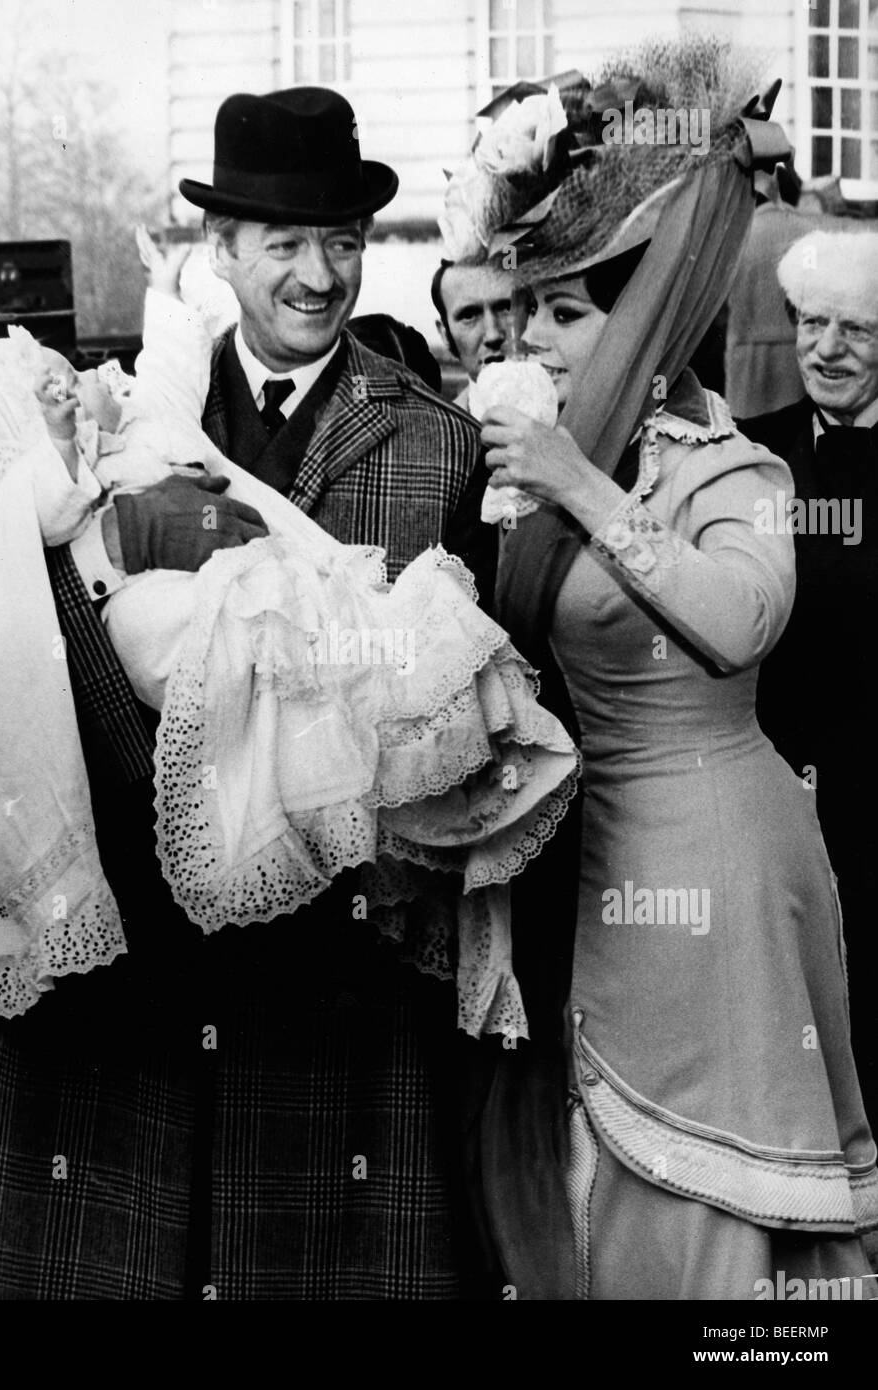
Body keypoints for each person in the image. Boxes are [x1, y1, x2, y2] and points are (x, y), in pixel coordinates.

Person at [0, 85, 516, 1301]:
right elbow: (40, 637)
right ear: (223, 251)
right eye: (287, 244)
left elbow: (467, 688)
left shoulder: (433, 441)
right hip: (136, 968)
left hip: (334, 977)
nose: (320, 274)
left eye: (345, 243)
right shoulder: (111, 420)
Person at [448, 39, 878, 1299]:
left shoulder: (730, 468)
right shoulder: (551, 461)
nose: (532, 335)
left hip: (719, 862)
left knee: (700, 1192)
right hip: (598, 858)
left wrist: (575, 486)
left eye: (566, 310)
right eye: (528, 307)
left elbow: (740, 620)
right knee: (589, 1168)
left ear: (644, 320)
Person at [742, 228, 878, 1132]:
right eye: (812, 324)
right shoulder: (752, 456)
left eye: (857, 331)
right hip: (774, 797)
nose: (826, 349)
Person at [723, 161, 825, 418]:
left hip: (745, 357)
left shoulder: (737, 234)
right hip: (796, 356)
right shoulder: (808, 233)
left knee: (748, 440)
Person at [431, 259, 516, 409]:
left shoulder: (570, 422)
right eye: (469, 316)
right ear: (445, 334)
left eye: (506, 308)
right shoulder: (437, 430)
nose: (493, 335)